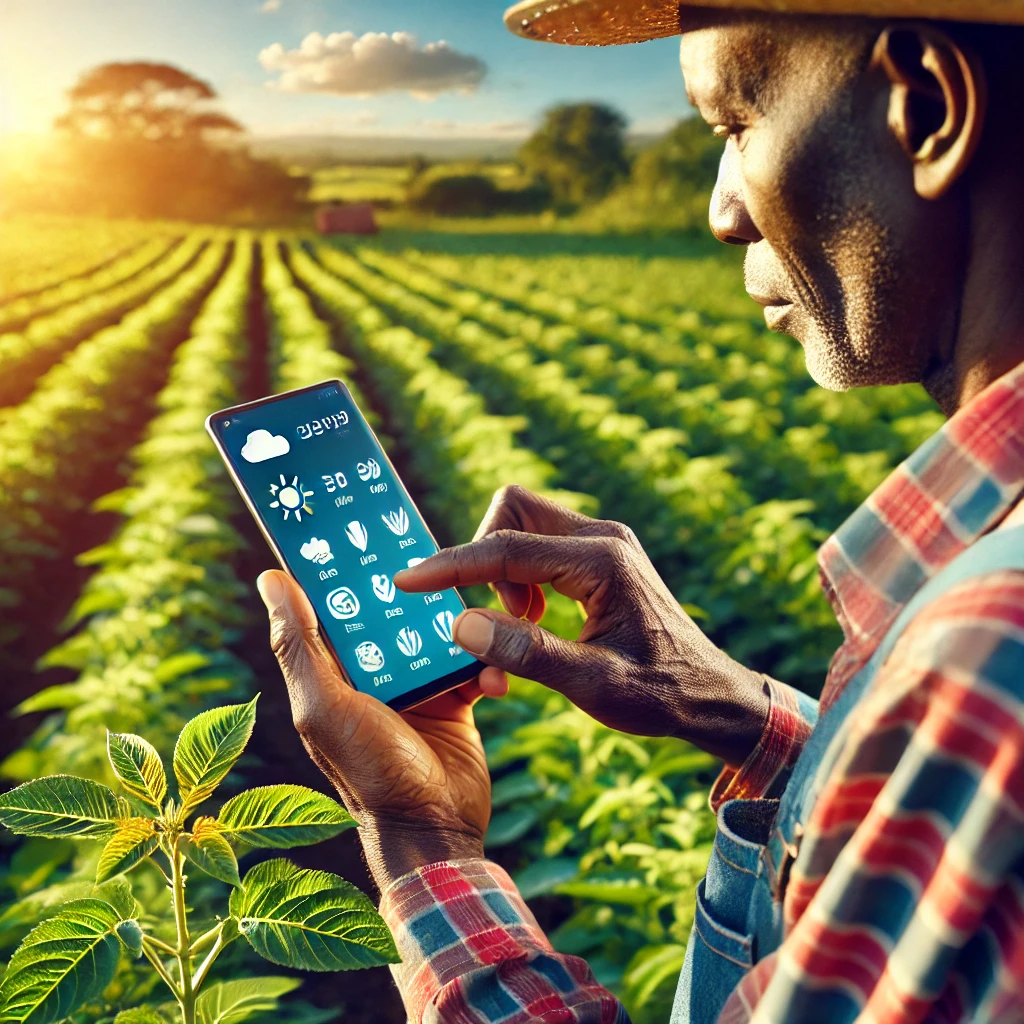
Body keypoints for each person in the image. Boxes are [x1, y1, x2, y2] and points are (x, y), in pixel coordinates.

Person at [254, 0, 1024, 1020]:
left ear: (926, 106)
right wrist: (746, 719)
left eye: (731, 126)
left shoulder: (988, 653)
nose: (720, 211)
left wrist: (420, 840)